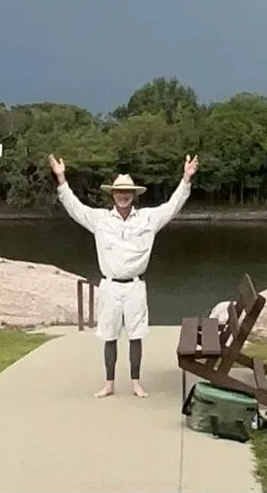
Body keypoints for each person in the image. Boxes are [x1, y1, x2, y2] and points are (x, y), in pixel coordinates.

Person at [50, 151, 198, 398]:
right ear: (112, 194)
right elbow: (74, 208)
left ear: (134, 195)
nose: (123, 196)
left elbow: (172, 206)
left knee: (136, 335)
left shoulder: (148, 219)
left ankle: (135, 382)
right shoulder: (100, 220)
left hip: (135, 287)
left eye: (127, 192)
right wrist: (61, 178)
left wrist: (186, 178)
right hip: (110, 286)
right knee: (108, 335)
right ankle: (108, 383)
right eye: (119, 192)